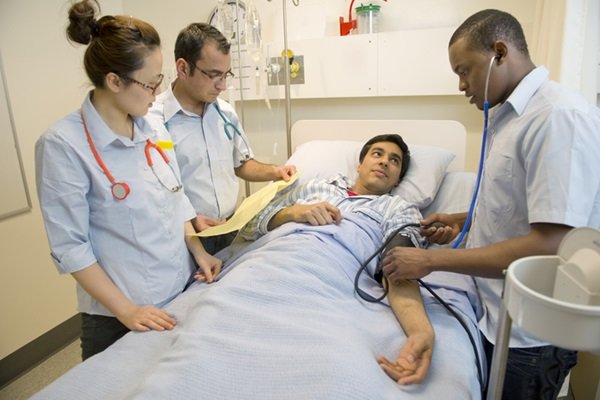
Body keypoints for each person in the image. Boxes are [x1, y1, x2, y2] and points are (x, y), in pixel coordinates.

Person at [381, 9, 600, 399]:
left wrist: (431, 260)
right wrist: (464, 218)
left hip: (529, 333)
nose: (462, 85)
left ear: (500, 52)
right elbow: (524, 208)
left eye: (465, 71)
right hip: (490, 309)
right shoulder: (509, 117)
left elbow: (552, 246)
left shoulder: (557, 118)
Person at [35, 0, 222, 360]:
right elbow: (70, 247)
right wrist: (125, 310)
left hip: (179, 290)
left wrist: (198, 252)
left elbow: (174, 194)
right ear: (114, 80)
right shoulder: (63, 145)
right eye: (151, 85)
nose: (157, 95)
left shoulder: (150, 125)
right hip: (118, 315)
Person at [240, 134, 435, 385]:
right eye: (377, 154)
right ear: (360, 164)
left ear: (398, 179)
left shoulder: (399, 209)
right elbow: (247, 227)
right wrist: (293, 212)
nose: (384, 162)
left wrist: (420, 331)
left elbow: (399, 268)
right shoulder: (313, 187)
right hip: (266, 264)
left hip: (329, 279)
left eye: (394, 161)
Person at [148, 22, 296, 255]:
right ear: (183, 68)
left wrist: (275, 171)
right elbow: (153, 191)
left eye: (226, 75)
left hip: (229, 228)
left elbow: (242, 164)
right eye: (214, 75)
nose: (223, 85)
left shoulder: (224, 113)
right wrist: (189, 219)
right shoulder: (152, 120)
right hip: (184, 236)